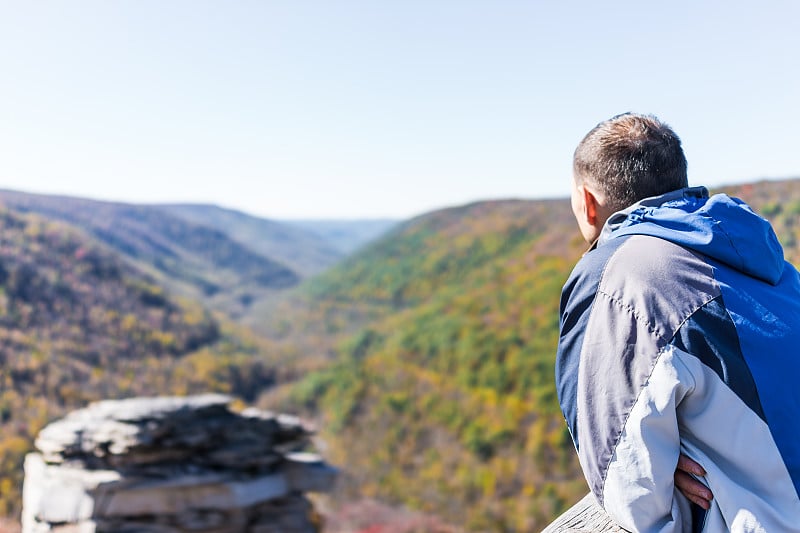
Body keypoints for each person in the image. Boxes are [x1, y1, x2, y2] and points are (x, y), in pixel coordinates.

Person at [555, 113, 800, 532]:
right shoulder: (761, 256)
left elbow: (628, 487)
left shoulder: (622, 275)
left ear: (587, 202)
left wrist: (665, 461)